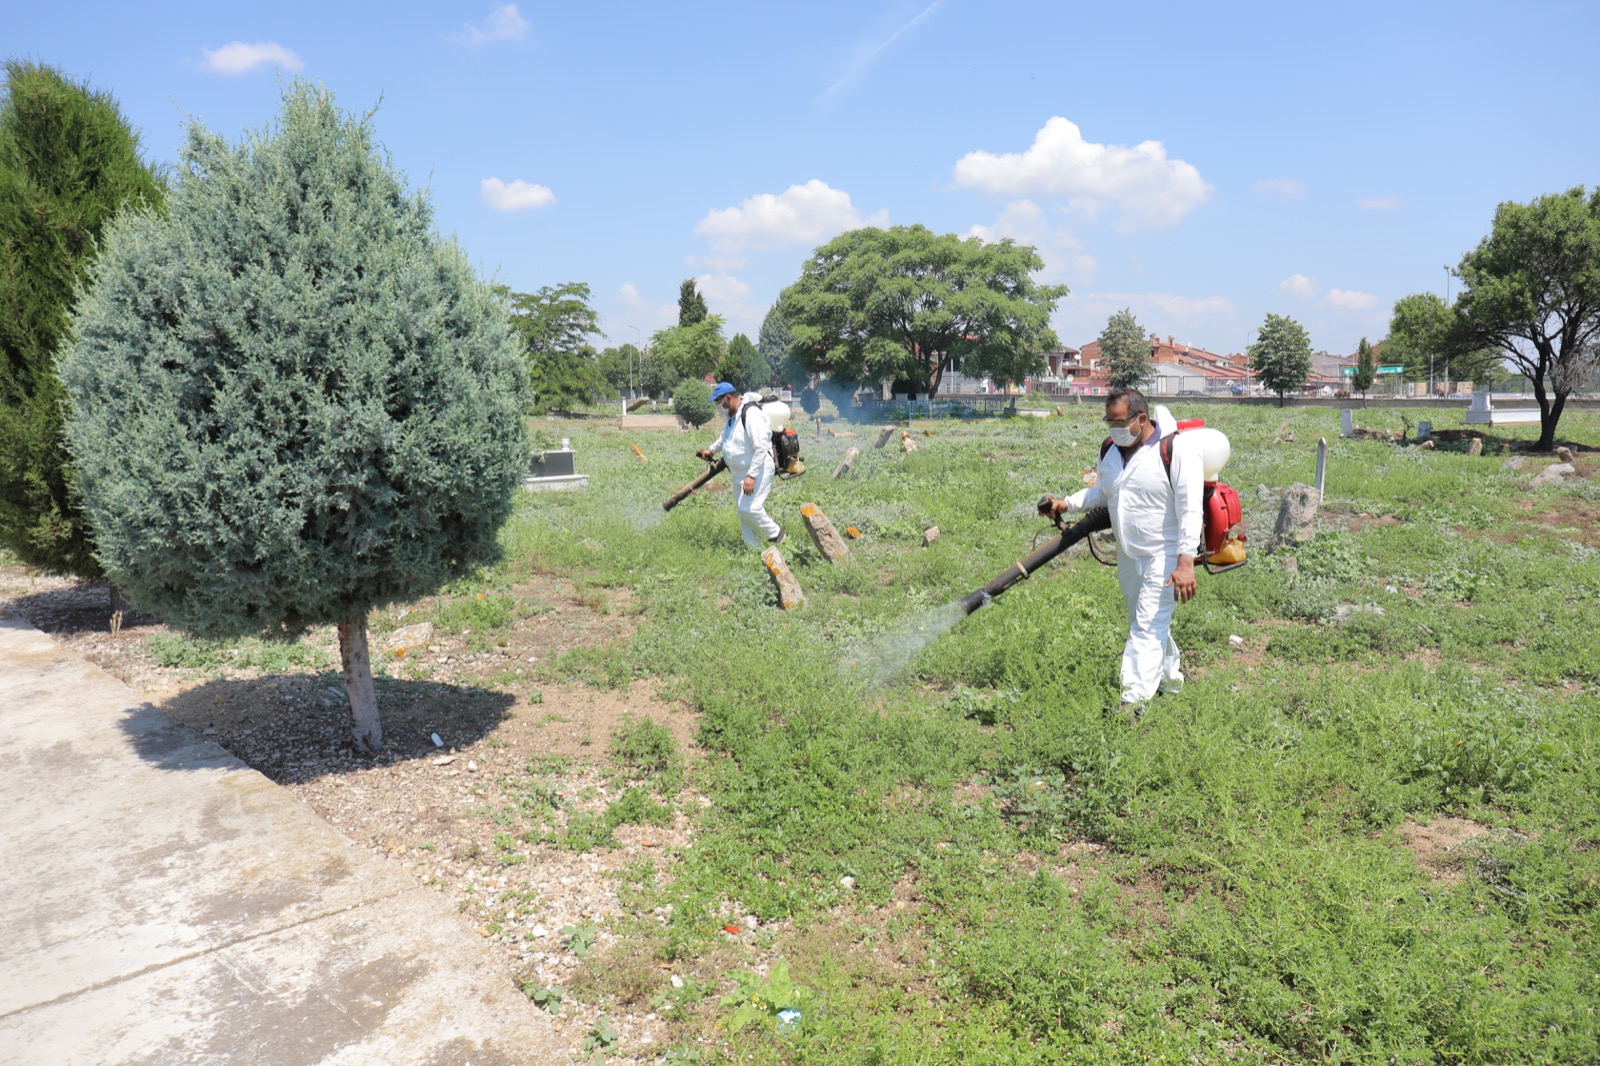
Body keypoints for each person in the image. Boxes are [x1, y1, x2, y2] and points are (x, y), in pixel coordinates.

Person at [1039, 387, 1203, 713]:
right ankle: (1170, 681)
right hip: (1128, 555)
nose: (1113, 429)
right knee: (1146, 622)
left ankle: (1132, 703)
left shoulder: (1175, 451)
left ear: (1141, 419)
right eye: (1108, 421)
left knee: (1146, 625)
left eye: (1119, 422)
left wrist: (1186, 562)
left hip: (1164, 554)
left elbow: (1190, 510)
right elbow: (1104, 493)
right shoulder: (1111, 451)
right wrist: (1065, 504)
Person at [695, 382, 785, 550]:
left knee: (749, 509)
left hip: (757, 469)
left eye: (718, 401)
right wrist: (711, 451)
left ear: (727, 398)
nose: (717, 406)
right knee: (743, 514)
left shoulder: (751, 414)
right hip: (738, 473)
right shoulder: (731, 415)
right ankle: (754, 551)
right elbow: (725, 437)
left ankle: (778, 537)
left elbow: (761, 447)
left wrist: (751, 475)